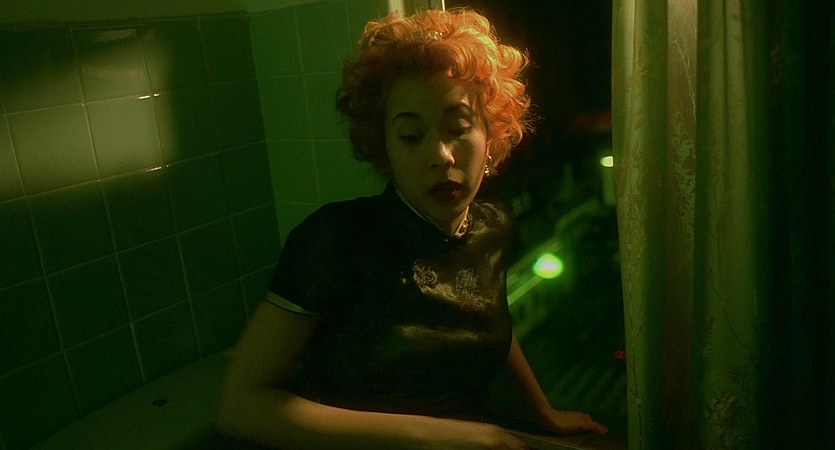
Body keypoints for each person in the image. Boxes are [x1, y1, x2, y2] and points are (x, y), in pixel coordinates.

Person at [215, 8, 607, 450]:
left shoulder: (493, 226)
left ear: (491, 134)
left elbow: (487, 320)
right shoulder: (335, 238)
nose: (440, 155)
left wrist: (543, 412)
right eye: (410, 136)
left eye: (458, 127)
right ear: (383, 145)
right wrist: (447, 436)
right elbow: (240, 408)